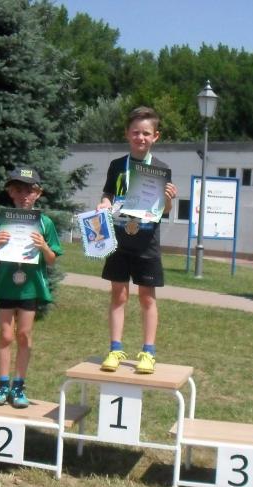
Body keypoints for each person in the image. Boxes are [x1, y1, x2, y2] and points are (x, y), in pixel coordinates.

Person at [96, 106, 178, 375]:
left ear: (155, 136)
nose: (140, 137)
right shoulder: (117, 165)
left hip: (146, 242)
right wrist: (103, 204)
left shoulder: (161, 169)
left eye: (146, 133)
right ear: (127, 134)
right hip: (118, 240)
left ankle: (148, 352)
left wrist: (169, 199)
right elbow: (108, 195)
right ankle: (115, 349)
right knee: (118, 295)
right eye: (135, 132)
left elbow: (164, 210)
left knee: (147, 298)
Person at [0, 167, 62, 408]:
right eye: (18, 190)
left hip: (29, 287)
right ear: (10, 193)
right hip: (7, 286)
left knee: (24, 335)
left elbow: (52, 259)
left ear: (38, 193)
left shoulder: (45, 223)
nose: (23, 196)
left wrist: (44, 247)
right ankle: (2, 385)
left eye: (29, 191)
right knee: (6, 335)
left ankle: (18, 386)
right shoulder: (2, 221)